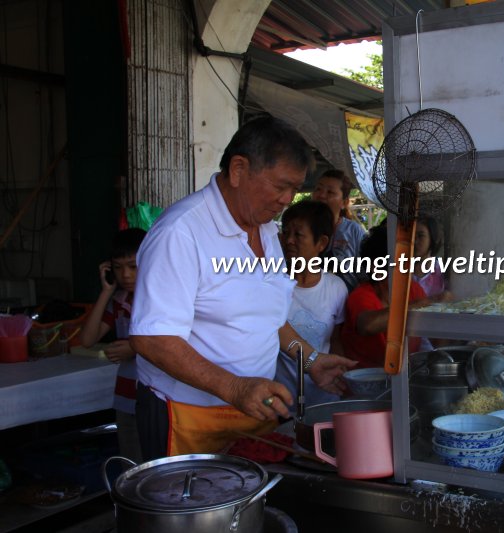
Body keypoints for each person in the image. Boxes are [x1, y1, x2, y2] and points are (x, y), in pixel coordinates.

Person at [129, 116, 356, 459]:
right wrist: (233, 387)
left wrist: (310, 360)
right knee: (192, 509)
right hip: (188, 415)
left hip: (255, 409)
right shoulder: (181, 233)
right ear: (238, 169)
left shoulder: (265, 230)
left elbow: (269, 316)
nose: (287, 200)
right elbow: (152, 338)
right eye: (281, 186)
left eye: (295, 189)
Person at [80, 228, 147, 463]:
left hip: (155, 397)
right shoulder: (118, 301)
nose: (125, 275)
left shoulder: (159, 300)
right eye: (117, 268)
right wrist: (106, 292)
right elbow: (87, 339)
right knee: (131, 463)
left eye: (133, 266)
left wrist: (135, 348)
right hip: (125, 397)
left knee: (154, 464)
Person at [274, 200, 348, 409]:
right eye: (285, 232)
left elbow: (336, 340)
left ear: (321, 243)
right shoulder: (273, 284)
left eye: (298, 235)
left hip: (324, 396)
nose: (288, 240)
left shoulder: (335, 288)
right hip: (280, 400)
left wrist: (341, 379)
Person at [341, 224, 431, 368]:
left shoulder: (414, 289)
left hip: (405, 377)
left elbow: (434, 335)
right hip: (368, 383)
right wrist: (423, 304)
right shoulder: (361, 295)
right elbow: (368, 326)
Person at [311, 169, 367, 291]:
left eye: (330, 192)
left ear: (344, 202)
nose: (321, 195)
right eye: (318, 189)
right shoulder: (302, 227)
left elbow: (367, 276)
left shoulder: (353, 231)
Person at [412, 216, 448, 300]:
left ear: (432, 238)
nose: (414, 241)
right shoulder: (399, 270)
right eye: (412, 236)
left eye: (420, 236)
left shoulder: (442, 271)